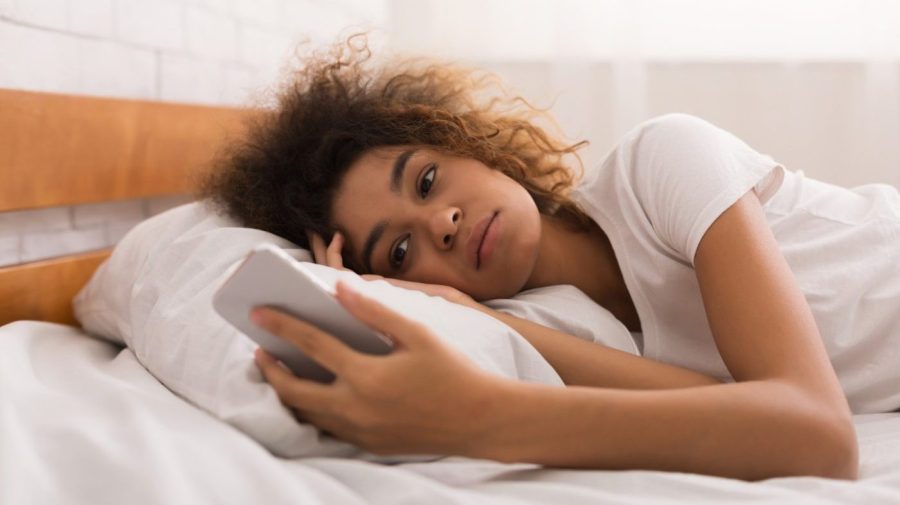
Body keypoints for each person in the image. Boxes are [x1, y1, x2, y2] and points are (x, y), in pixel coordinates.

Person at [198, 35, 900, 481]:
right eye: (402, 249)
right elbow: (743, 416)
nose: (441, 222)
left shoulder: (661, 162)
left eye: (427, 179)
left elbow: (817, 433)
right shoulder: (545, 331)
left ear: (469, 144)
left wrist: (480, 416)